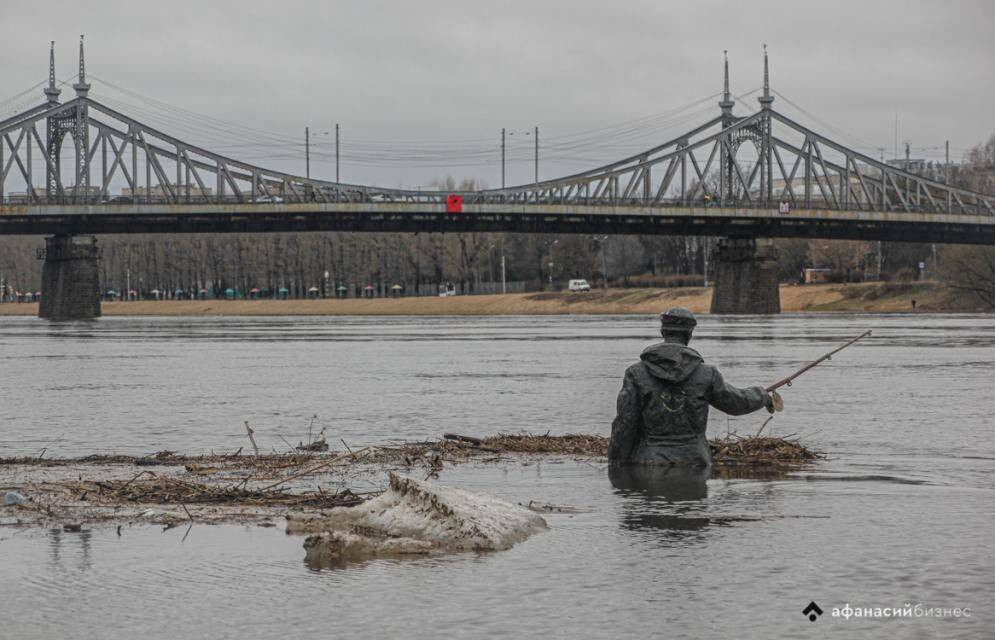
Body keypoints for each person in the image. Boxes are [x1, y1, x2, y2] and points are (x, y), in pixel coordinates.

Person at [609, 307, 781, 467]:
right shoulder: (707, 374)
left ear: (662, 332)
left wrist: (615, 464)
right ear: (690, 334)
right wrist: (763, 396)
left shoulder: (635, 373)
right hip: (695, 461)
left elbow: (625, 424)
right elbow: (736, 403)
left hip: (649, 461)